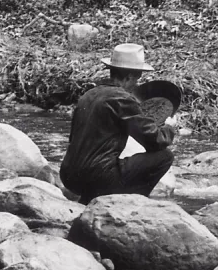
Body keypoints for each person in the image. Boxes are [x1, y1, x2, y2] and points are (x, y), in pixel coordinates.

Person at [59, 43, 177, 203]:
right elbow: (155, 142)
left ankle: (88, 200)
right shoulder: (121, 99)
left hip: (69, 176)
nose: (137, 84)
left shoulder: (88, 94)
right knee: (165, 157)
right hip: (96, 177)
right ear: (129, 77)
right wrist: (169, 128)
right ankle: (133, 203)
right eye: (137, 79)